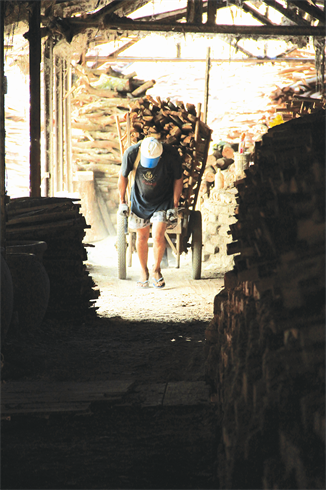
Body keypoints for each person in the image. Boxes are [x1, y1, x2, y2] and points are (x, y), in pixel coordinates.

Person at [118, 136, 183, 289]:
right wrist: (122, 201)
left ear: (160, 155)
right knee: (141, 236)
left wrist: (174, 204)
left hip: (162, 200)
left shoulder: (171, 156)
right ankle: (143, 271)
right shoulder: (132, 153)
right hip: (139, 201)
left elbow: (178, 180)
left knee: (159, 235)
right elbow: (123, 176)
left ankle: (156, 270)